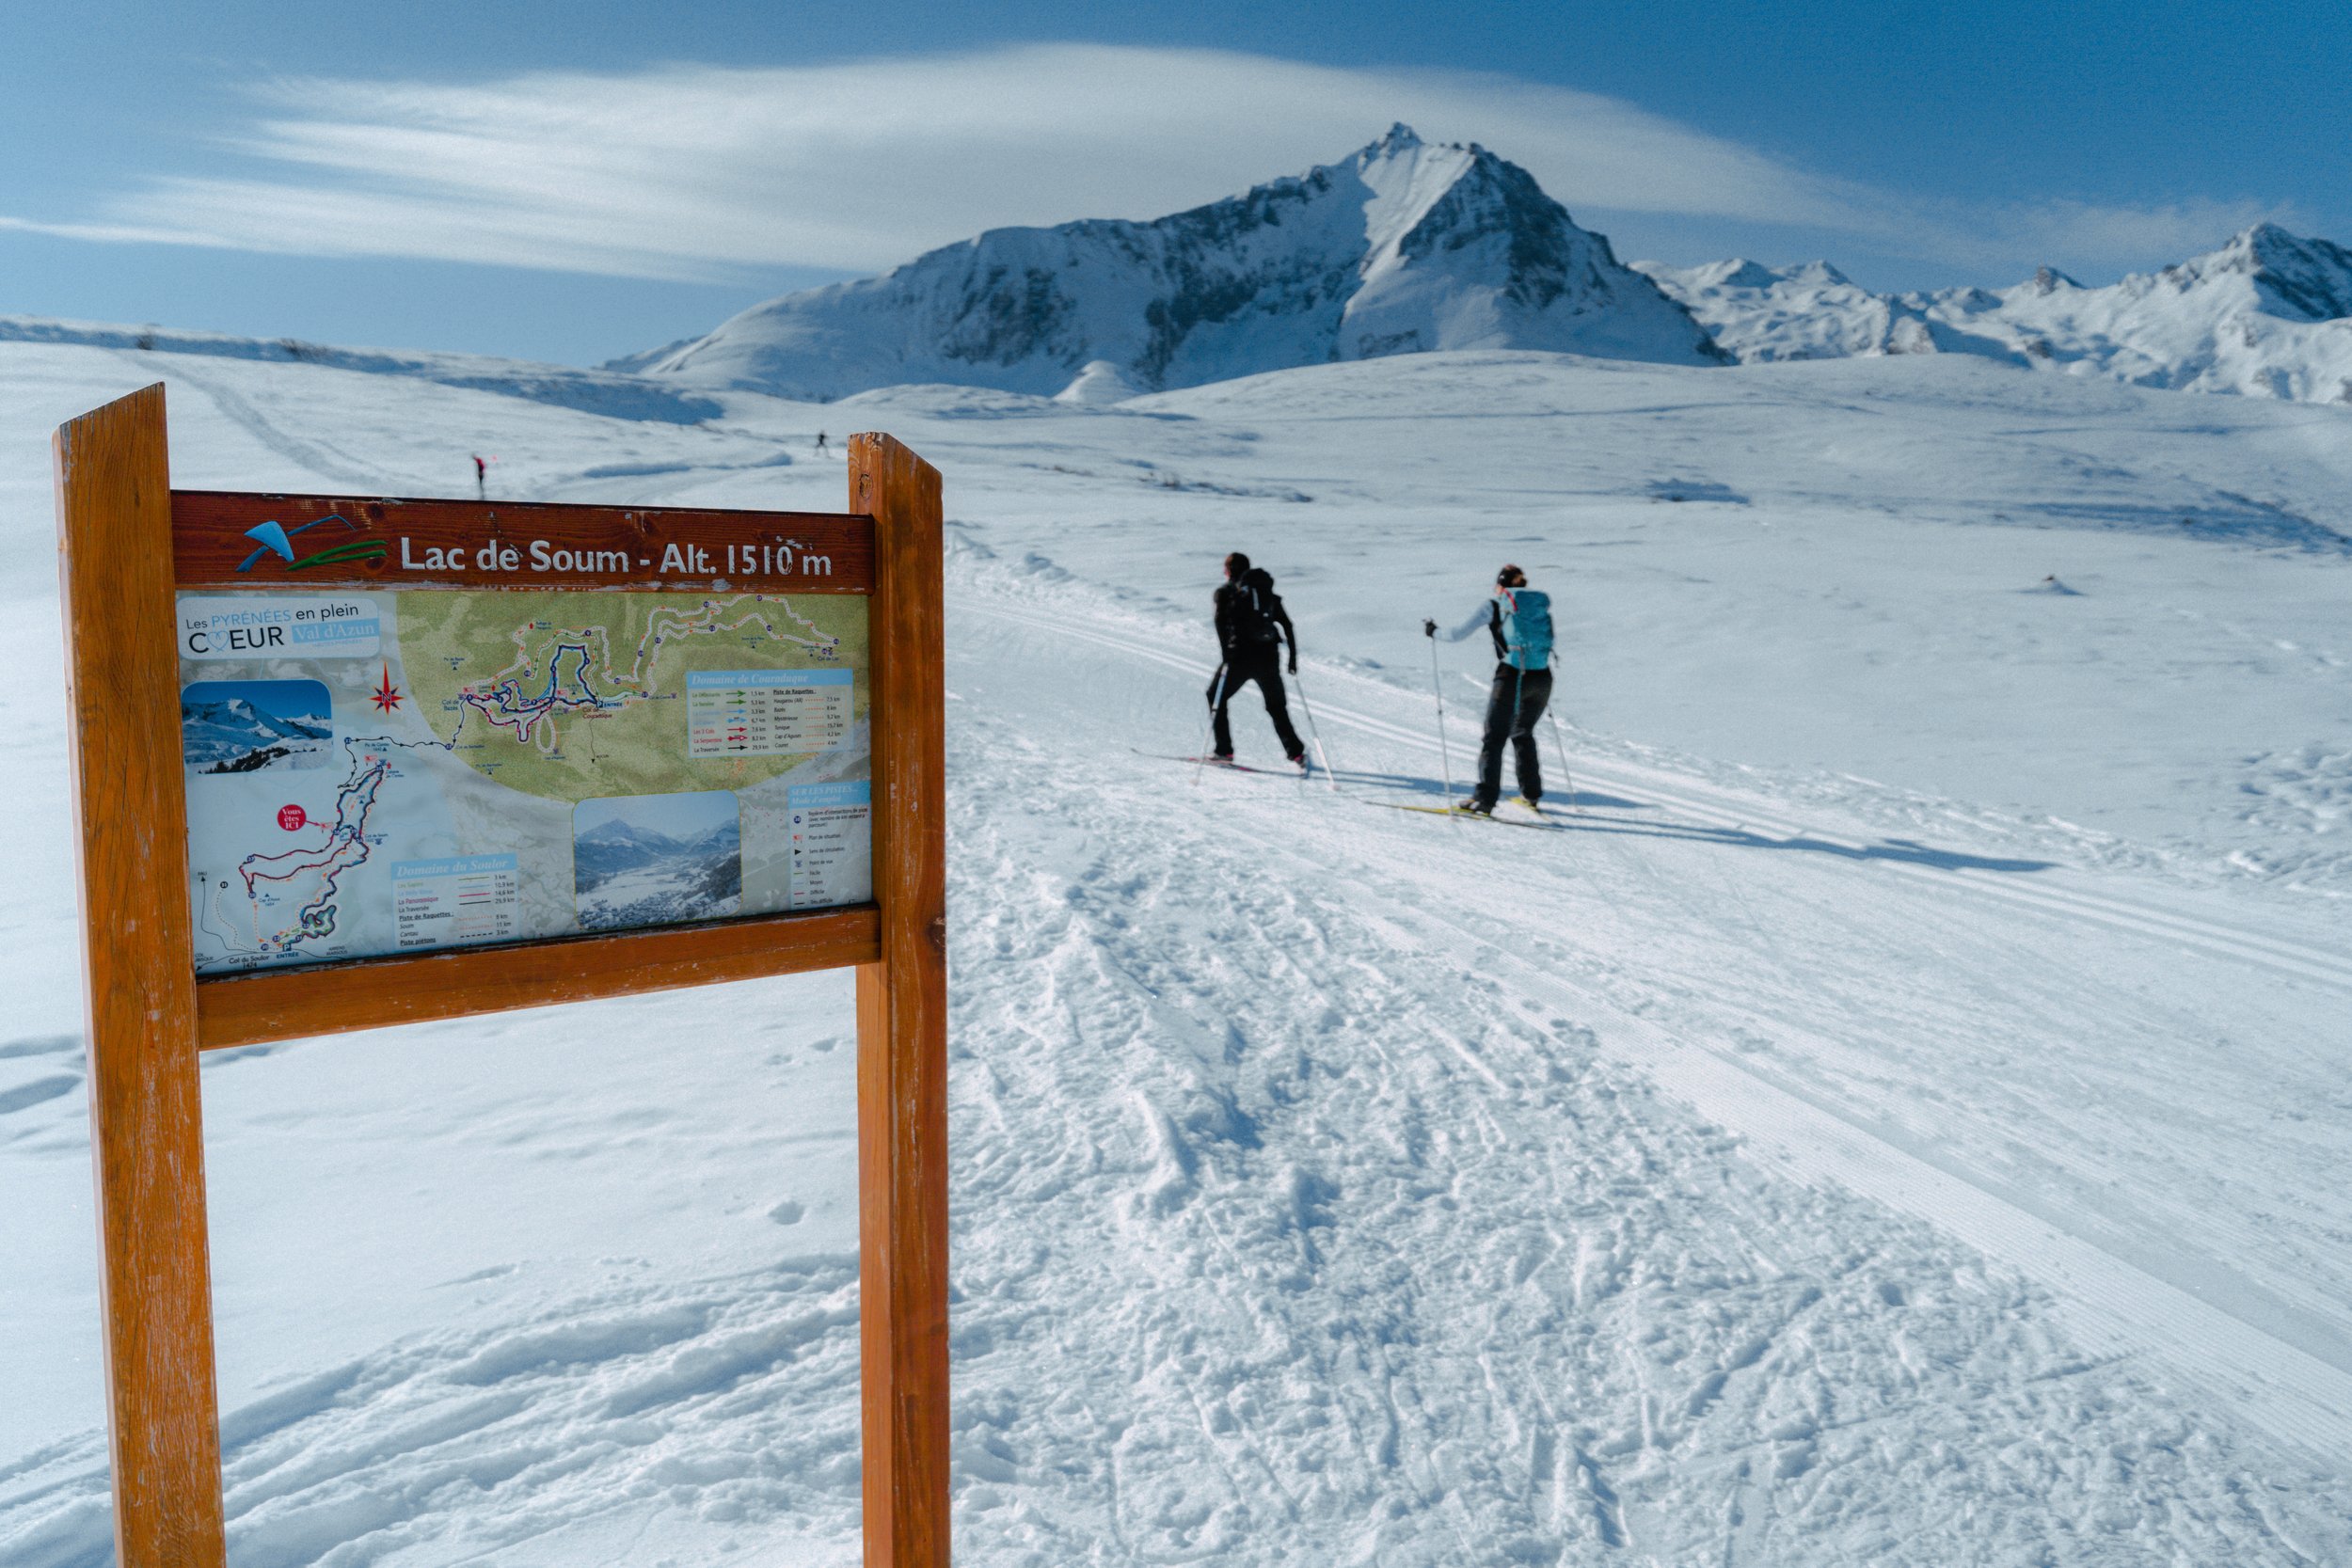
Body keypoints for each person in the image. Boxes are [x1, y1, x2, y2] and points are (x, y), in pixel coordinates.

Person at [1424, 563, 1554, 815]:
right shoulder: (1535, 606)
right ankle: (1531, 795)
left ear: (1500, 585)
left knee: (1494, 738)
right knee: (1522, 732)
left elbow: (1457, 634)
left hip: (1511, 676)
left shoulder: (1494, 605)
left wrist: (1434, 632)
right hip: (1542, 676)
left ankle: (1484, 800)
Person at [1208, 552, 1306, 767]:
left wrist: (1226, 655)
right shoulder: (1266, 593)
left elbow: (1219, 624)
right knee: (1276, 706)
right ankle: (1296, 753)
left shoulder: (1226, 593)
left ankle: (1224, 751)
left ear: (1228, 571)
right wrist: (1292, 661)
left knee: (1215, 696)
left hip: (1239, 658)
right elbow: (1287, 625)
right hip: (1268, 658)